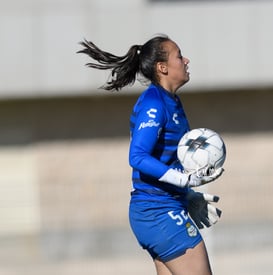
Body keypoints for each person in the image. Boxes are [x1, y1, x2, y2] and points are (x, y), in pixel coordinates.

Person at [77, 34, 224, 275]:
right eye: (179, 56)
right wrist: (183, 181)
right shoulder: (154, 103)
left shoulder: (172, 101)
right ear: (162, 67)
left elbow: (167, 159)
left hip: (163, 209)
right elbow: (137, 157)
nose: (186, 60)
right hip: (158, 213)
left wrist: (186, 196)